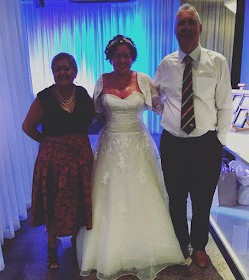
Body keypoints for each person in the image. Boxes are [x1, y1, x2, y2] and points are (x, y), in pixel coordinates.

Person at [76, 35, 185, 280]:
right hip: (110, 146)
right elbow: (95, 116)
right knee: (109, 196)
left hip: (138, 144)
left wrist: (187, 120)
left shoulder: (144, 80)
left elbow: (162, 109)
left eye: (126, 55)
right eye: (118, 55)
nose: (122, 59)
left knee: (142, 196)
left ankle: (149, 246)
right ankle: (109, 250)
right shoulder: (102, 81)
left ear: (132, 57)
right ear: (111, 58)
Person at [154, 4, 233, 269]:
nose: (186, 27)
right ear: (175, 30)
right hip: (173, 143)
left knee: (202, 199)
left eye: (190, 22)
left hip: (205, 143)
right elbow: (156, 96)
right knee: (175, 198)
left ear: (200, 27)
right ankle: (180, 243)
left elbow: (225, 104)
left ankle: (199, 246)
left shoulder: (217, 61)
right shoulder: (166, 63)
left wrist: (220, 141)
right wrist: (165, 113)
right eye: (181, 24)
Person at [22, 53, 93, 270]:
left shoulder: (82, 94)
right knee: (54, 202)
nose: (62, 72)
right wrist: (47, 143)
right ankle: (52, 247)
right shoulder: (44, 97)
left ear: (75, 72)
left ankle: (75, 240)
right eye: (58, 69)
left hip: (80, 157)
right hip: (53, 161)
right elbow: (27, 127)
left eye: (67, 68)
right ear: (53, 73)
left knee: (79, 200)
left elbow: (92, 120)